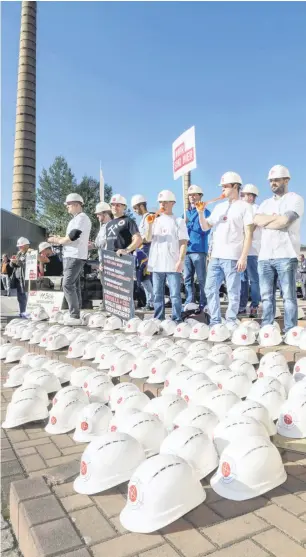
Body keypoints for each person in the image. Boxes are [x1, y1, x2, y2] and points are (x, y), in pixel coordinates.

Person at [198, 171, 254, 329]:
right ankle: (216, 321)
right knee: (210, 289)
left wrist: (243, 257)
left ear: (236, 186)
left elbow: (249, 233)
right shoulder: (219, 207)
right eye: (222, 187)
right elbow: (205, 226)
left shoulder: (245, 207)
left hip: (233, 256)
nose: (223, 190)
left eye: (226, 187)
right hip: (215, 256)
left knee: (233, 290)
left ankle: (230, 320)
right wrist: (201, 212)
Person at [254, 165, 304, 331]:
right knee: (266, 297)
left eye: (276, 180)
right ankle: (267, 329)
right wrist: (274, 219)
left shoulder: (295, 199)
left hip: (286, 254)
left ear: (286, 180)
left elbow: (285, 221)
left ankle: (290, 330)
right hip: (265, 256)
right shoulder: (265, 203)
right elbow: (257, 221)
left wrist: (268, 221)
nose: (273, 183)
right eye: (271, 181)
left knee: (289, 297)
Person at [48, 193, 92, 325]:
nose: (67, 207)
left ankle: (74, 315)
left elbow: (73, 235)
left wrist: (57, 240)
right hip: (71, 255)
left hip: (75, 255)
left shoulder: (82, 218)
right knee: (74, 285)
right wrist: (61, 239)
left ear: (76, 204)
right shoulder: (75, 219)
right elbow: (71, 237)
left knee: (67, 284)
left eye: (68, 205)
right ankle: (76, 314)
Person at [145, 189, 188, 323]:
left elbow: (183, 242)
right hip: (157, 264)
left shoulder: (178, 221)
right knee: (157, 294)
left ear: (172, 203)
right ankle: (158, 318)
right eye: (160, 203)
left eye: (165, 202)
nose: (162, 205)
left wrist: (180, 260)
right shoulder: (155, 220)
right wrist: (150, 224)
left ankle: (177, 319)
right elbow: (147, 238)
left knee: (175, 294)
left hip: (172, 263)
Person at [184, 184, 211, 312]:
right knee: (187, 279)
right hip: (186, 251)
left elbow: (205, 231)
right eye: (190, 195)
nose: (192, 197)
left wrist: (188, 224)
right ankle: (190, 301)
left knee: (201, 278)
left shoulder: (206, 212)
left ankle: (203, 302)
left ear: (200, 196)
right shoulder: (185, 213)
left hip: (199, 250)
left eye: (195, 194)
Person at [238, 184, 261, 317]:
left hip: (252, 251)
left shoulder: (257, 209)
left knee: (254, 279)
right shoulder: (239, 209)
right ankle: (241, 305)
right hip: (240, 252)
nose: (244, 197)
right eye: (243, 195)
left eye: (247, 195)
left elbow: (253, 227)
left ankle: (254, 305)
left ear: (252, 197)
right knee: (242, 280)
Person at [131, 194, 154, 310]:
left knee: (145, 278)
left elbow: (149, 236)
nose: (135, 211)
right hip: (141, 250)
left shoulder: (149, 217)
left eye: (135, 208)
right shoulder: (144, 219)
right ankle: (150, 301)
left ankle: (151, 302)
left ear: (141, 205)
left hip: (145, 250)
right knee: (143, 278)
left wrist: (138, 240)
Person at [91, 201, 113, 282]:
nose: (97, 216)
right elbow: (97, 243)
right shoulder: (103, 227)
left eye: (98, 214)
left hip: (110, 264)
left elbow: (104, 243)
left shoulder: (113, 226)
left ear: (105, 213)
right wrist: (91, 245)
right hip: (103, 263)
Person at [10, 237, 31, 316]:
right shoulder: (19, 253)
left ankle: (27, 312)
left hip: (25, 278)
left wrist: (17, 261)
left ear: (26, 245)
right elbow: (13, 266)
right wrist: (12, 262)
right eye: (19, 246)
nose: (19, 248)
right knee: (20, 297)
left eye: (21, 246)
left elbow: (27, 265)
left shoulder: (30, 253)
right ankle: (22, 312)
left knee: (26, 296)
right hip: (18, 278)